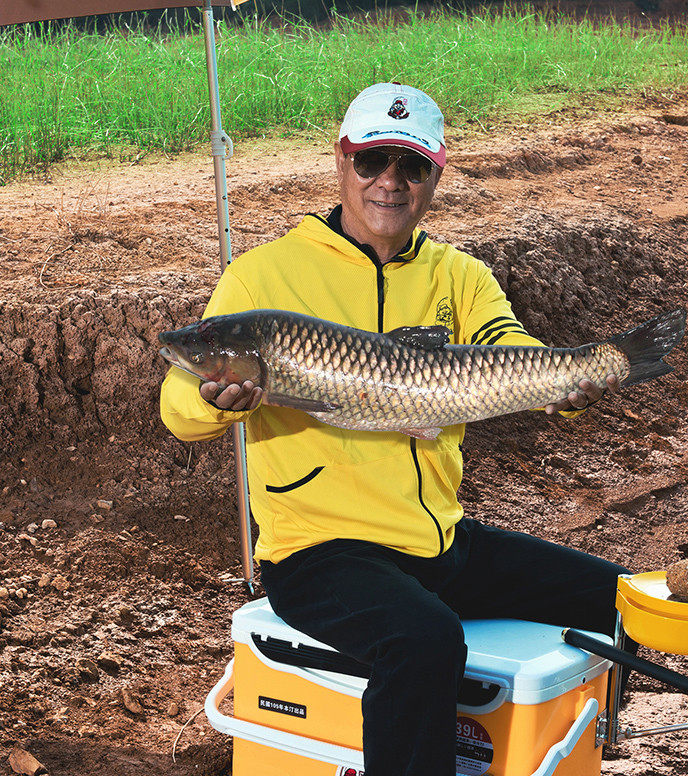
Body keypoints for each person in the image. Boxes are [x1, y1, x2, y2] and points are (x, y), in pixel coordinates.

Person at [160, 82, 628, 776]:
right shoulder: (261, 278)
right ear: (342, 160)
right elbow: (177, 408)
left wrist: (572, 385)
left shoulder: (460, 276)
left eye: (411, 165)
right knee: (422, 638)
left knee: (622, 599)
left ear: (435, 174)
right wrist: (217, 401)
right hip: (319, 555)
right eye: (373, 160)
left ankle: (593, 747)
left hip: (440, 544)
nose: (390, 181)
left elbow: (509, 347)